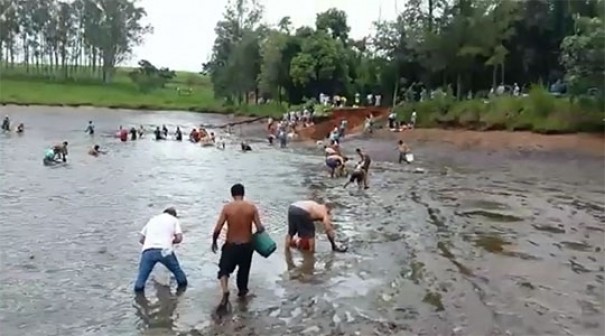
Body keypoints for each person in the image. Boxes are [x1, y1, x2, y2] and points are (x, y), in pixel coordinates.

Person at [212, 183, 265, 313]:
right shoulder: (251, 208)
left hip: (231, 245)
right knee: (243, 272)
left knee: (224, 269)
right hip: (247, 246)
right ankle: (242, 299)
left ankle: (225, 291)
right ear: (243, 193)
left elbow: (218, 228)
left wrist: (214, 241)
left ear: (232, 194)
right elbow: (259, 228)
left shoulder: (227, 208)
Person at [134, 207, 187, 293]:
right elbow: (179, 238)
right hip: (165, 251)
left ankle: (139, 300)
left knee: (140, 281)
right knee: (179, 276)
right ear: (174, 215)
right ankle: (180, 294)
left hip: (148, 252)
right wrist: (171, 241)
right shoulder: (174, 219)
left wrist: (150, 244)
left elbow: (141, 239)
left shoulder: (152, 220)